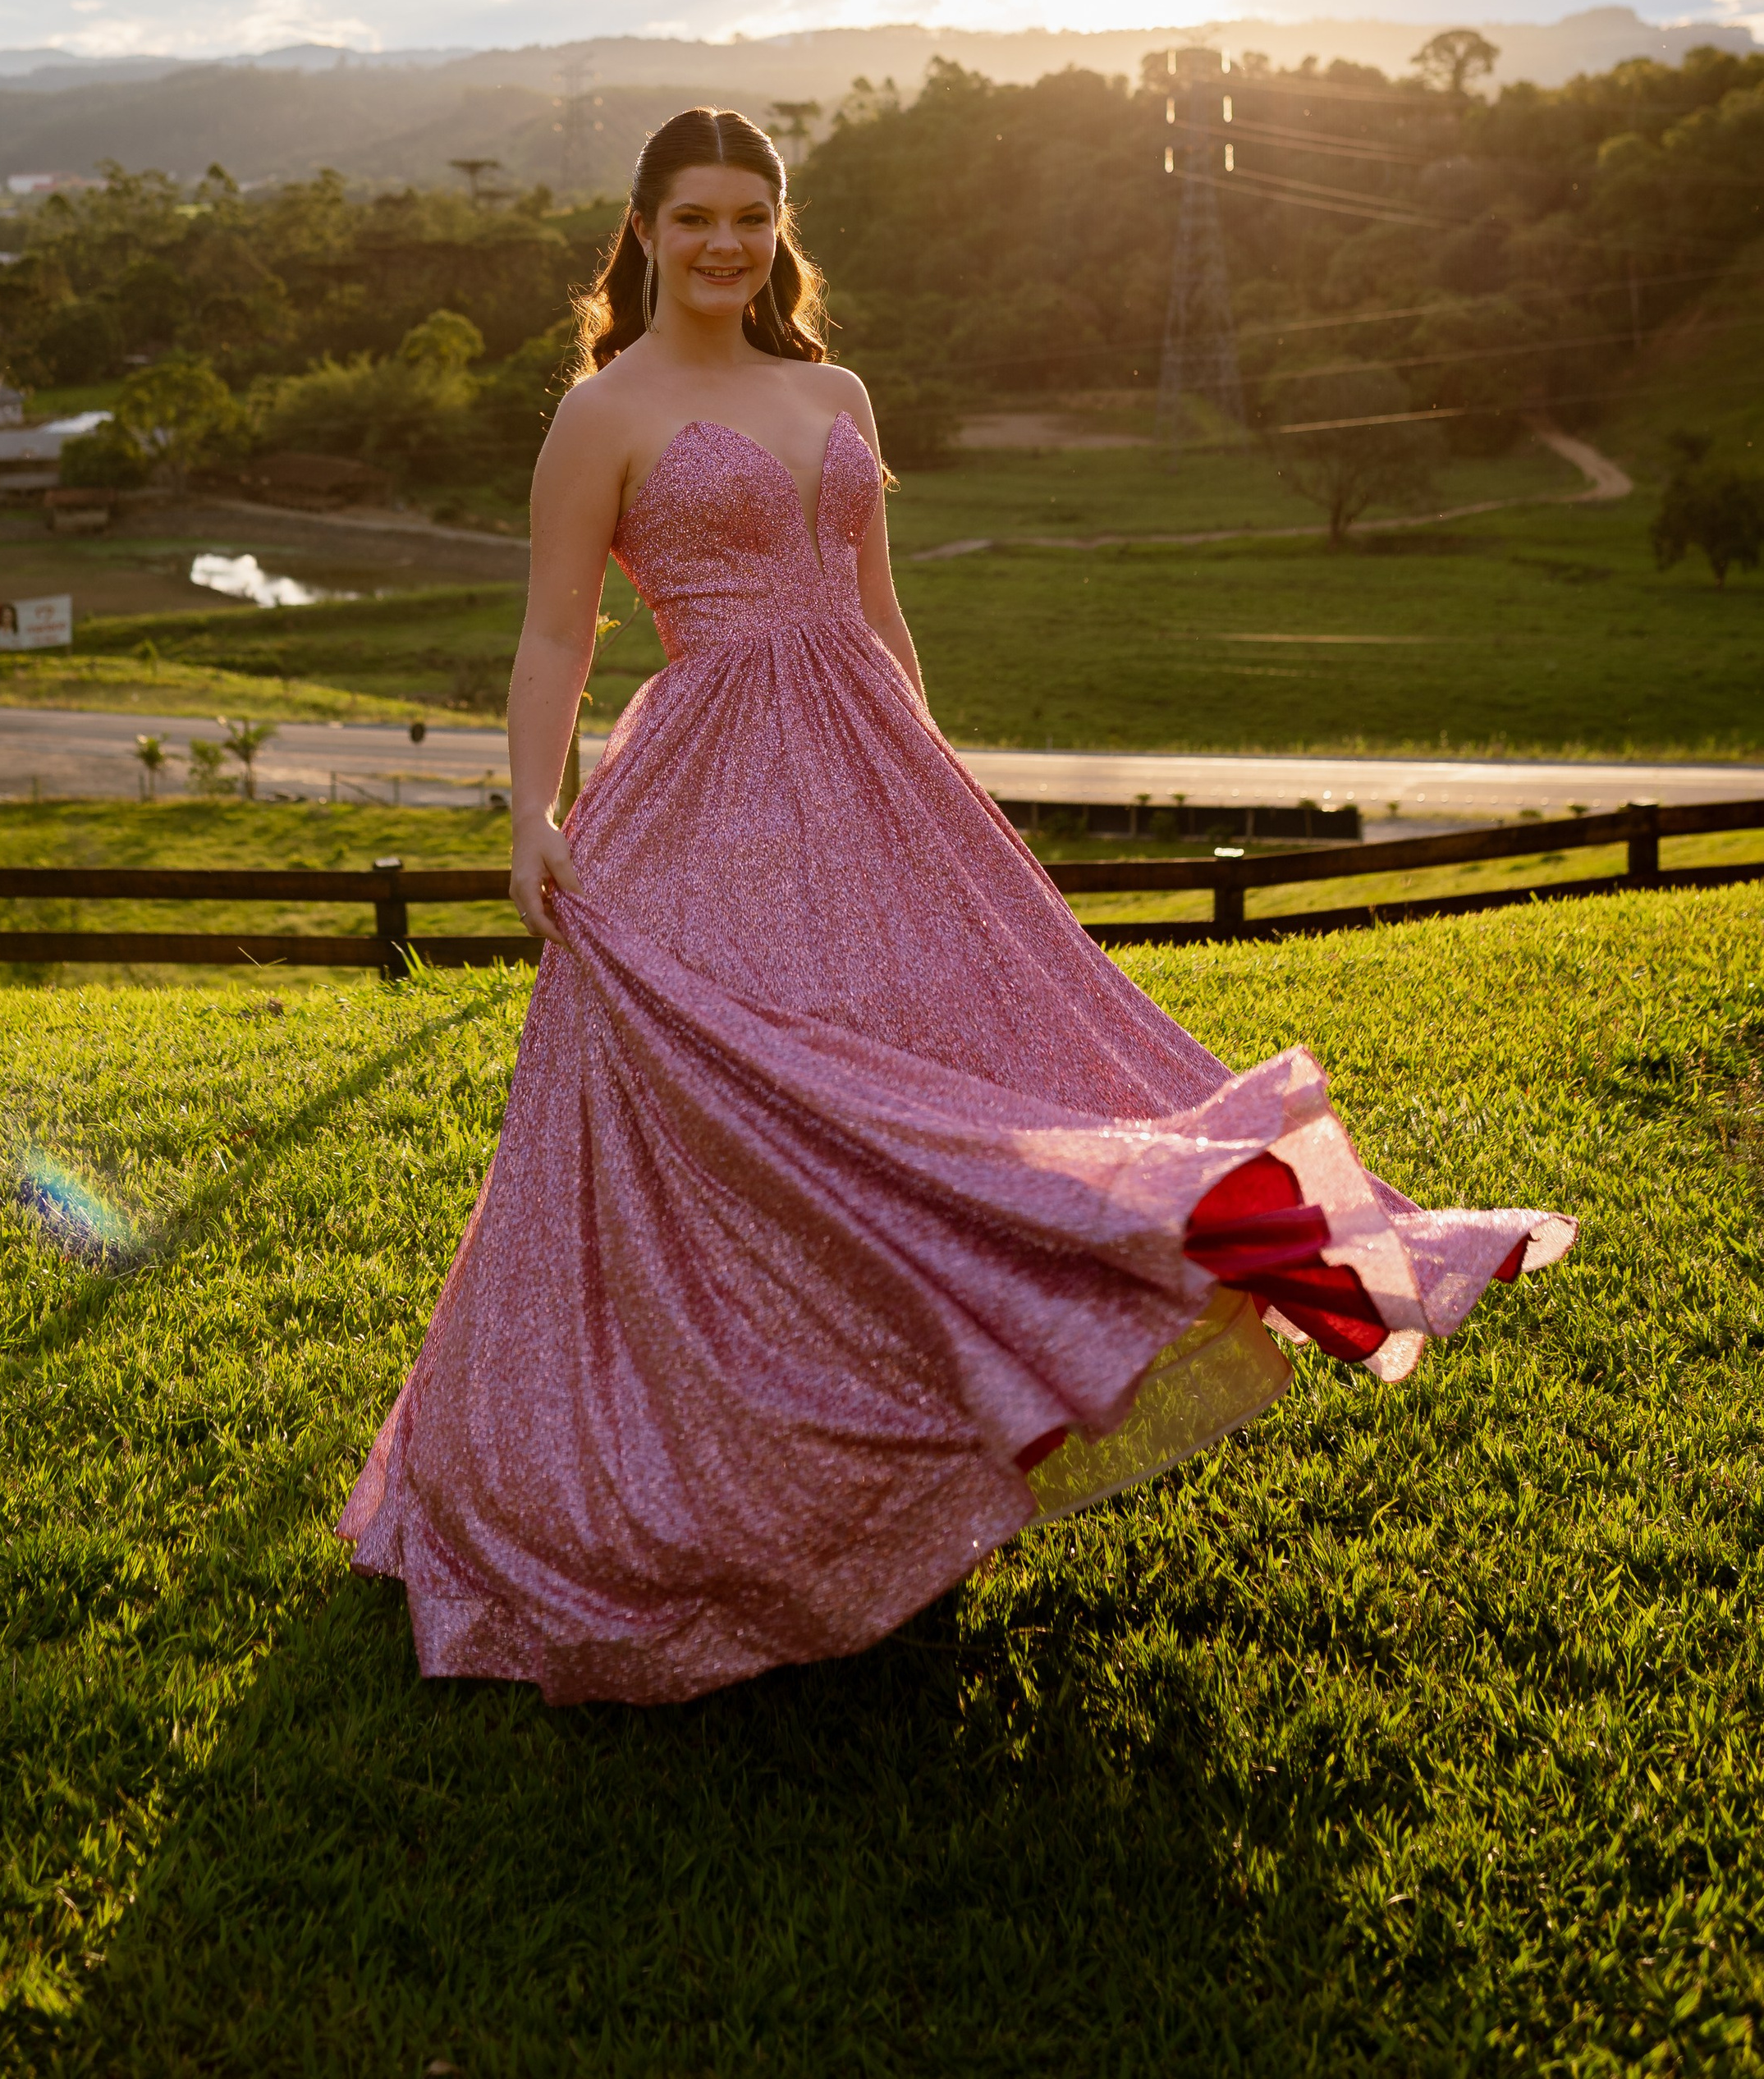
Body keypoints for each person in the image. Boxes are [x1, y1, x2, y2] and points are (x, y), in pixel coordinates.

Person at [340, 107, 1573, 1704]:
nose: (726, 243)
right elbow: (554, 637)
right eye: (695, 217)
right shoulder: (603, 414)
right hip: (706, 787)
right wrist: (529, 809)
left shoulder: (832, 392)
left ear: (778, 227)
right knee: (774, 1115)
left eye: (753, 215)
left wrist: (934, 783)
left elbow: (875, 603)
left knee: (972, 1074)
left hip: (869, 774)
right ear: (639, 231)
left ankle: (957, 1419)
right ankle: (709, 1488)